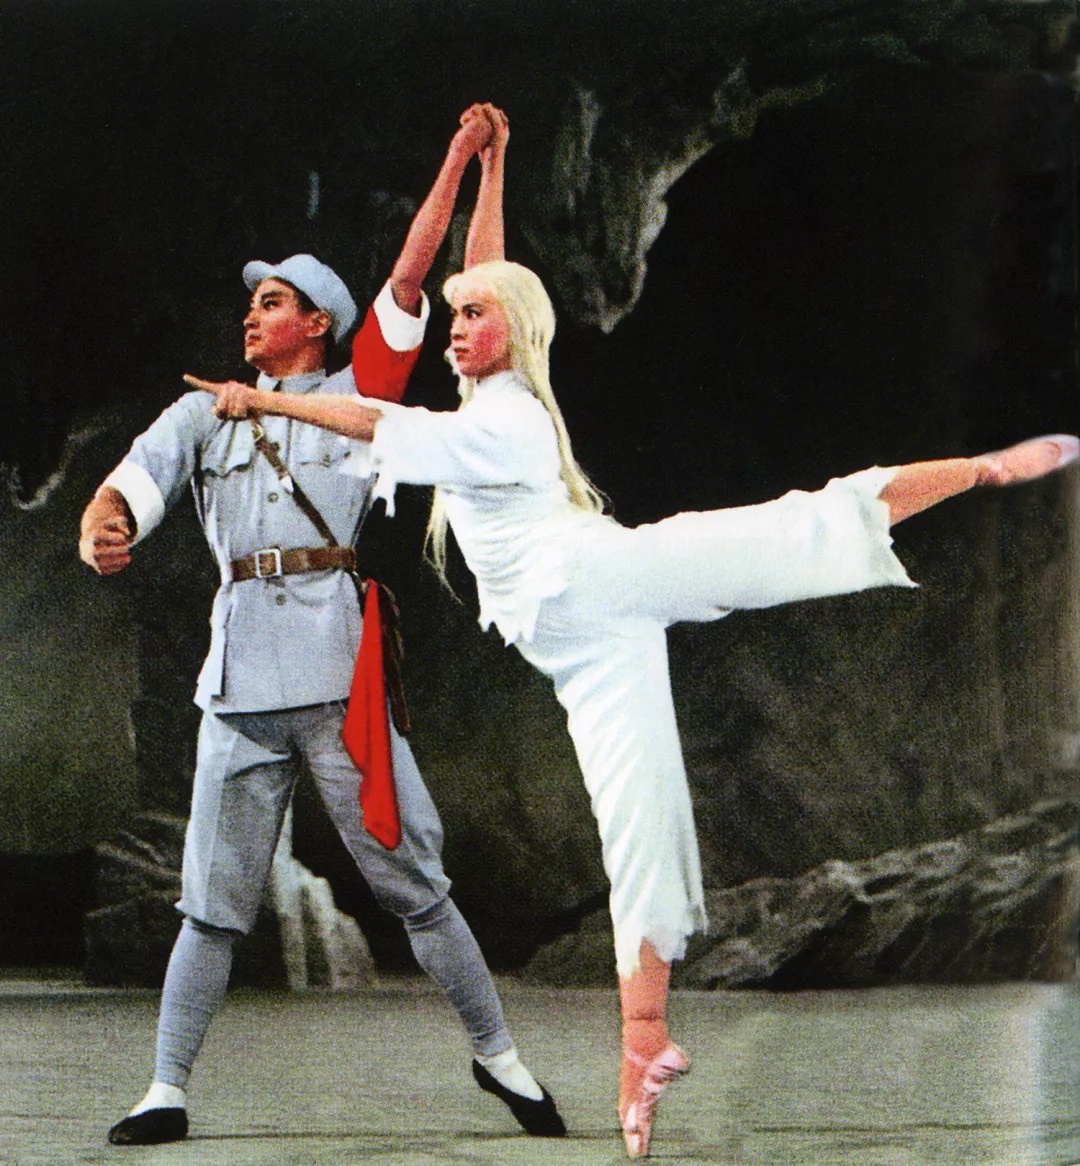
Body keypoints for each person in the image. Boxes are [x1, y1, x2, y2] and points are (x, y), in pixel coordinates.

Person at [192, 144, 1080, 1160]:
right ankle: (643, 1044)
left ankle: (982, 469)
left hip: (601, 580)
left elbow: (370, 415)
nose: (455, 329)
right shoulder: (491, 395)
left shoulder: (506, 424)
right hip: (581, 645)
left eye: (472, 320)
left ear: (512, 332)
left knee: (786, 531)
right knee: (638, 820)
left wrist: (267, 400)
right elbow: (488, 277)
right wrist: (492, 169)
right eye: (454, 318)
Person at [79, 105, 565, 1146]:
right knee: (210, 903)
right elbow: (128, 483)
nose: (251, 318)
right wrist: (102, 526)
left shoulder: (361, 394)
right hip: (238, 685)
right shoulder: (205, 409)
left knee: (414, 878)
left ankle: (500, 1056)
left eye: (272, 302)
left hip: (339, 683)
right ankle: (164, 1087)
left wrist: (461, 159)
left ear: (318, 323)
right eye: (251, 303)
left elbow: (419, 272)